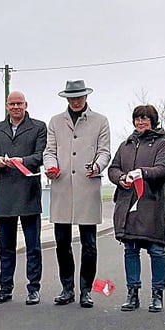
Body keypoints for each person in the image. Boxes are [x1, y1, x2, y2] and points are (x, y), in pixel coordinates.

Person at [44, 80, 111, 308]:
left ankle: (86, 289)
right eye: (71, 98)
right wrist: (51, 166)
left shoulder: (100, 121)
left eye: (79, 98)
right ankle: (67, 288)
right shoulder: (55, 121)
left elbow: (104, 152)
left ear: (85, 98)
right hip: (61, 185)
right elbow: (49, 151)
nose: (75, 102)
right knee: (62, 242)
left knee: (89, 242)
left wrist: (97, 166)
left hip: (87, 184)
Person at [0, 91, 48, 306]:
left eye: (19, 103)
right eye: (12, 104)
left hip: (29, 191)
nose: (15, 107)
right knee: (6, 246)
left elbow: (41, 155)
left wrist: (23, 160)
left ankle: (33, 288)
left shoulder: (38, 127)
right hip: (5, 194)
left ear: (26, 104)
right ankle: (5, 288)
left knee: (33, 246)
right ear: (6, 105)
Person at [107, 104, 165, 312]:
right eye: (137, 119)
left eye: (145, 119)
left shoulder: (161, 144)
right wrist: (121, 178)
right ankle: (132, 293)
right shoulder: (126, 144)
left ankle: (157, 294)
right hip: (127, 205)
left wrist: (140, 172)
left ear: (153, 121)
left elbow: (161, 169)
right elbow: (113, 168)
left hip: (151, 204)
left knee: (156, 250)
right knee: (130, 250)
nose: (141, 122)